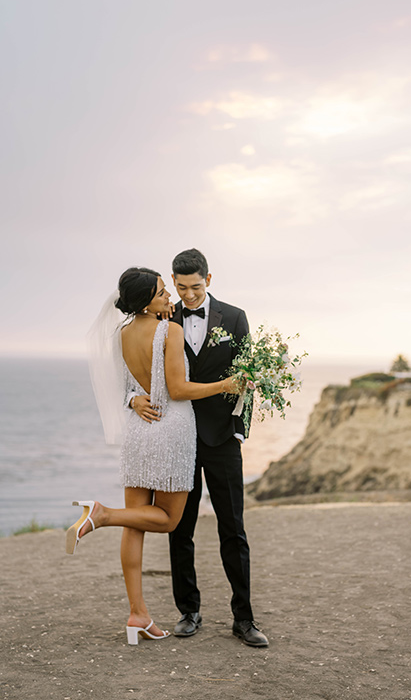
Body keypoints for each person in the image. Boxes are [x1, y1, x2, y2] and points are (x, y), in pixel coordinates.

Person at [66, 267, 239, 645]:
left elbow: (124, 385)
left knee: (137, 525)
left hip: (138, 432)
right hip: (171, 431)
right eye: (162, 292)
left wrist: (132, 399)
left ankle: (138, 614)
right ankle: (102, 513)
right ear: (145, 299)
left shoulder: (122, 333)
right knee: (167, 520)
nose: (169, 298)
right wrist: (226, 384)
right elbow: (177, 389)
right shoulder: (170, 330)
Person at [133, 249, 269, 647]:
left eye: (195, 287)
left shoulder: (236, 317)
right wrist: (131, 398)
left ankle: (244, 619)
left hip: (223, 439)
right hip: (177, 437)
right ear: (172, 283)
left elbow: (250, 375)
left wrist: (239, 431)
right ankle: (188, 611)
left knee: (234, 530)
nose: (187, 296)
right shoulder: (161, 317)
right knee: (180, 528)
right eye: (180, 288)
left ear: (209, 280)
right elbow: (139, 367)